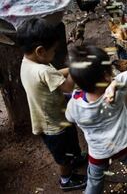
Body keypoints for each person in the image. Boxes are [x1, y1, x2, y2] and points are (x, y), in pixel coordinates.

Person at [66, 45, 127, 194]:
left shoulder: (75, 104)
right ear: (106, 75)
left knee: (95, 178)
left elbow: (69, 117)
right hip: (123, 143)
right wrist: (114, 84)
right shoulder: (116, 93)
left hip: (99, 151)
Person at [16, 17, 87, 191]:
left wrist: (69, 70)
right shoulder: (43, 70)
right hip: (55, 124)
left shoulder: (27, 63)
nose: (55, 54)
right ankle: (66, 179)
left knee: (70, 143)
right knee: (63, 155)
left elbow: (53, 74)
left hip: (48, 117)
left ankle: (75, 158)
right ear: (40, 51)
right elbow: (68, 86)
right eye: (54, 51)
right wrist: (75, 66)